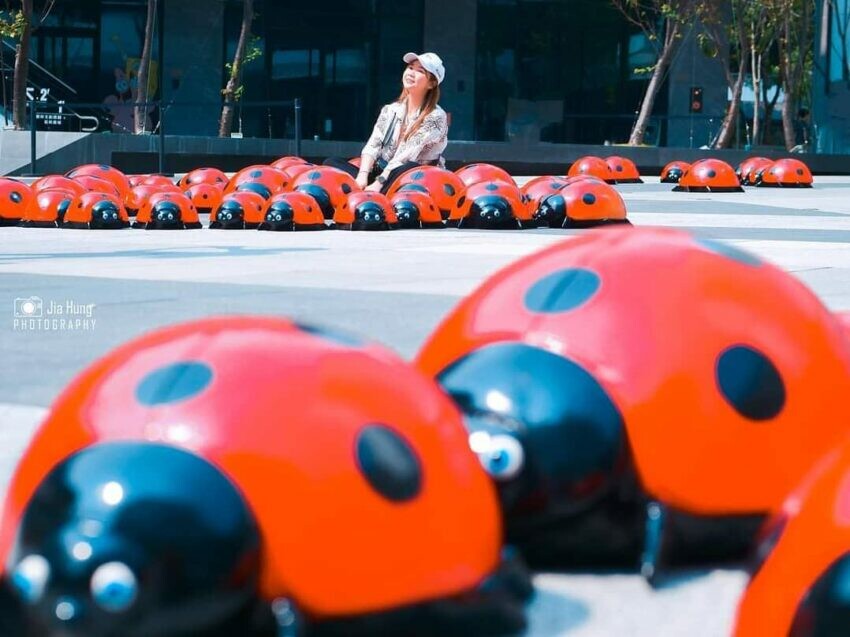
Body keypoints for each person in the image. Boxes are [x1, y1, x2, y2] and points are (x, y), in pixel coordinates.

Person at [324, 52, 448, 194]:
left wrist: (379, 183)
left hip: (415, 180)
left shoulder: (436, 116)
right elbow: (373, 144)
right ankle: (364, 192)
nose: (411, 73)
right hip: (383, 173)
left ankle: (369, 193)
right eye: (410, 68)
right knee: (331, 163)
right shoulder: (391, 110)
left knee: (408, 167)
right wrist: (362, 176)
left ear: (432, 83)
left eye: (420, 71)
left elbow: (405, 157)